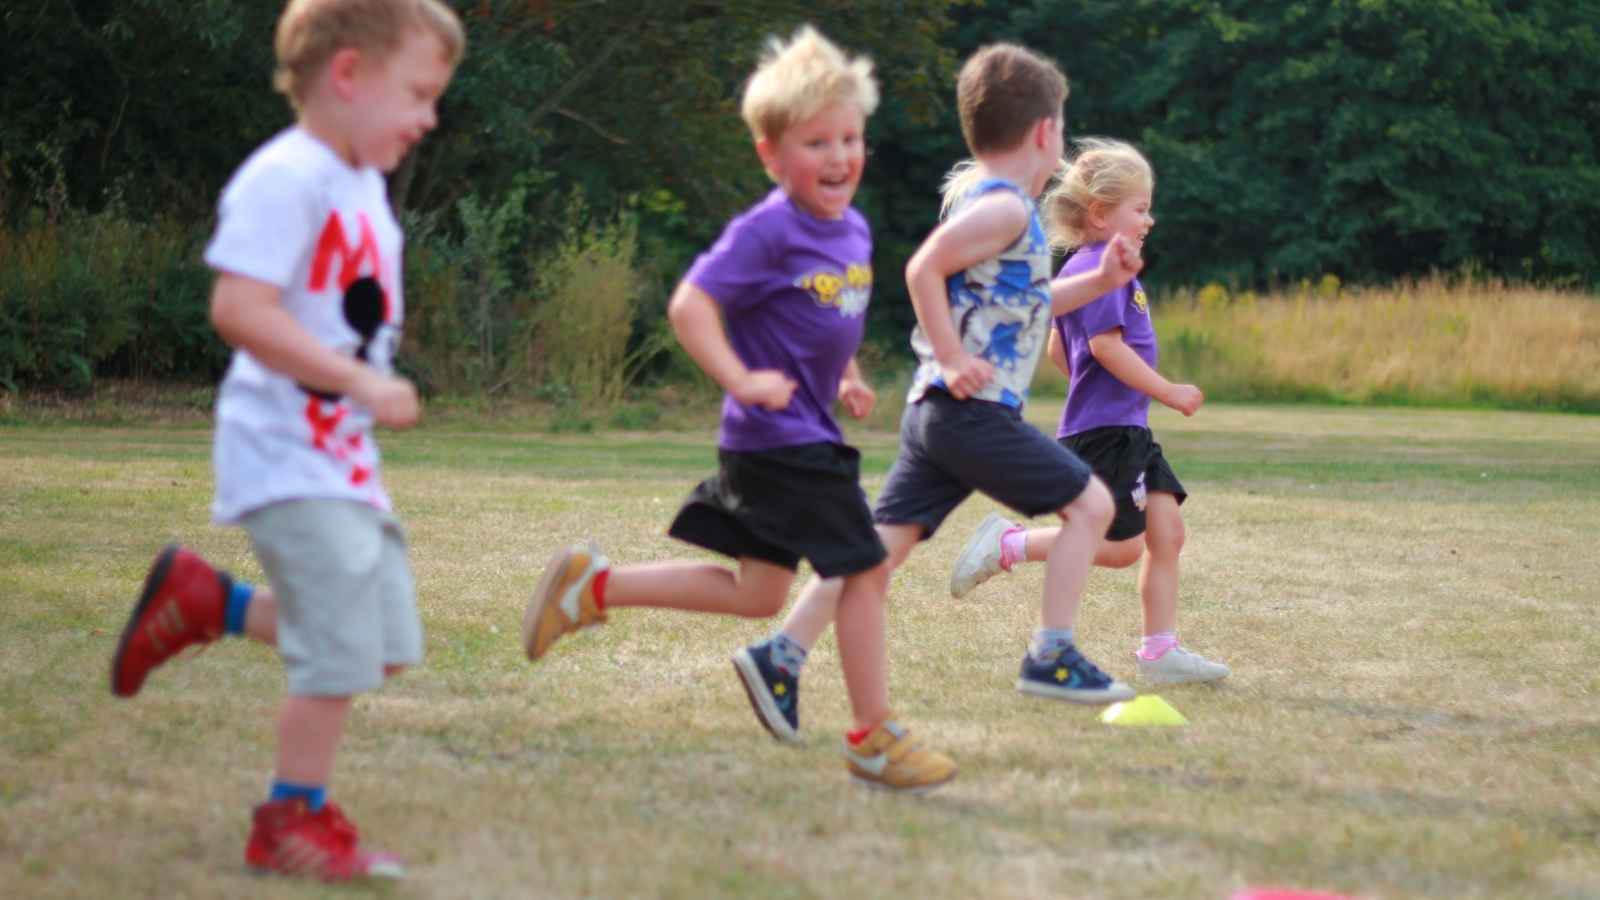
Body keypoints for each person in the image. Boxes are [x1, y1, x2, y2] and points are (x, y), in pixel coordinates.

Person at [521, 26, 956, 793]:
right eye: (816, 142)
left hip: (800, 433)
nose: (838, 157)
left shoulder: (850, 229)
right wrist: (741, 379)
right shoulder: (765, 230)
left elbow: (822, 317)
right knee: (863, 573)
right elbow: (691, 306)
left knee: (759, 595)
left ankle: (593, 586)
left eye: (850, 139)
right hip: (778, 440)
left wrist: (846, 372)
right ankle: (874, 736)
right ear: (771, 155)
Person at [108, 0, 464, 880]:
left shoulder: (360, 187)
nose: (430, 116)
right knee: (338, 650)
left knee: (381, 641)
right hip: (284, 452)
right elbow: (238, 309)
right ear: (348, 74)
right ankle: (289, 820)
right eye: (418, 93)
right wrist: (361, 383)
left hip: (340, 458)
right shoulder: (286, 176)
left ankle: (207, 602)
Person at [730, 43, 1145, 745]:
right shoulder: (1009, 210)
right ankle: (1053, 654)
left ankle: (780, 655)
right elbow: (923, 268)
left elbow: (1032, 299)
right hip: (967, 411)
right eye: (1062, 128)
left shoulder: (1004, 211)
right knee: (1093, 505)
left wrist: (1101, 284)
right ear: (1045, 132)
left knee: (874, 554)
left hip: (937, 417)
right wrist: (954, 358)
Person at [949, 137, 1229, 686]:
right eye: (1141, 207)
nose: (1150, 219)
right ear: (1101, 214)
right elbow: (1103, 347)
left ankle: (1159, 651)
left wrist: (1103, 390)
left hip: (1125, 429)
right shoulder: (1100, 264)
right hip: (1108, 434)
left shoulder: (1090, 265)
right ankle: (1010, 545)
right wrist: (1167, 390)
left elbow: (1061, 349)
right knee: (1121, 548)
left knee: (1167, 534)